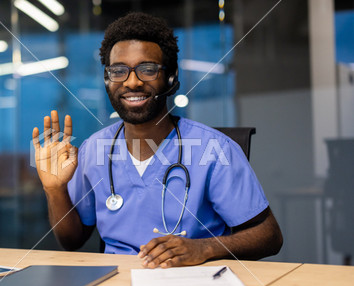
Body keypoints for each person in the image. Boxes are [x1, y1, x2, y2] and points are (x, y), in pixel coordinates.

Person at [32, 12, 282, 268]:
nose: (132, 82)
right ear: (108, 80)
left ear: (170, 77)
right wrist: (55, 190)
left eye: (147, 69)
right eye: (119, 71)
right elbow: (71, 241)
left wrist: (203, 248)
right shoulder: (93, 149)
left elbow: (270, 236)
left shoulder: (214, 149)